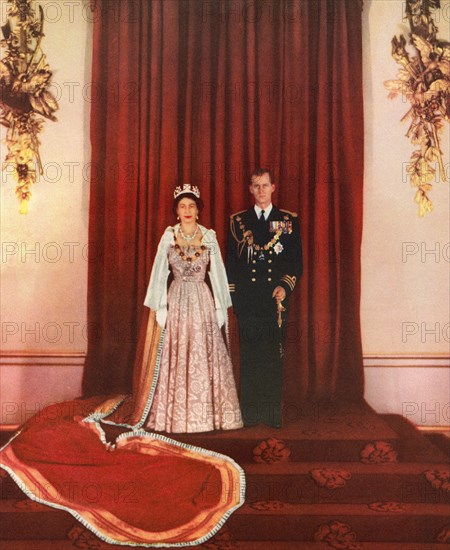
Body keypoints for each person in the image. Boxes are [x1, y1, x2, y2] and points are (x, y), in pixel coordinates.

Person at [0, 183, 245, 547]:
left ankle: (210, 415)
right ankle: (174, 416)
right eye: (183, 205)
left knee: (205, 359)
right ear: (176, 210)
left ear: (199, 209)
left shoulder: (208, 237)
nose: (188, 210)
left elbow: (220, 275)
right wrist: (159, 306)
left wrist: (221, 307)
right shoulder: (168, 237)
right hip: (177, 301)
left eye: (192, 205)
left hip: (202, 302)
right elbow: (159, 274)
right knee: (177, 358)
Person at [226, 168, 303, 428]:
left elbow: (295, 262)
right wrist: (235, 298)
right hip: (248, 300)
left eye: (265, 185)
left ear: (273, 187)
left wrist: (285, 286)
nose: (261, 190)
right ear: (250, 189)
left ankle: (270, 414)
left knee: (272, 356)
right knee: (250, 356)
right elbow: (232, 265)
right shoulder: (239, 222)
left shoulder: (287, 220)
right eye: (256, 185)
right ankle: (249, 414)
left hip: (274, 300)